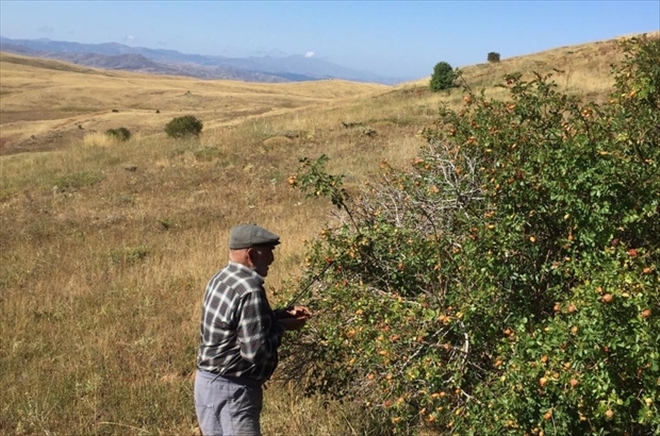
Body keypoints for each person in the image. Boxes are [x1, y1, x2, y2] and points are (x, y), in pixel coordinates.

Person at [194, 224, 311, 436]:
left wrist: (279, 314)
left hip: (208, 385)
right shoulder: (250, 288)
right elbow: (255, 352)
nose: (272, 259)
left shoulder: (220, 278)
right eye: (268, 252)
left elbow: (235, 325)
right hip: (233, 390)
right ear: (250, 254)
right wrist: (283, 326)